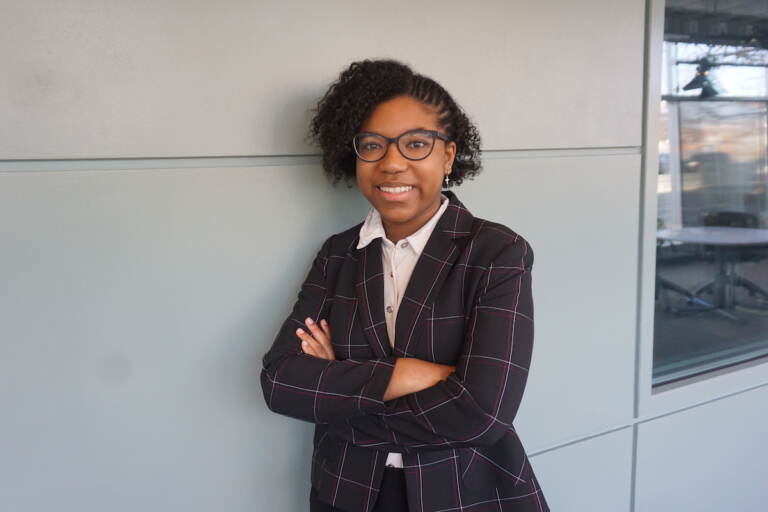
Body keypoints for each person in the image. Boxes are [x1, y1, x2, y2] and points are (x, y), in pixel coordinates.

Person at [261, 59, 549, 512]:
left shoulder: (496, 252)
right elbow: (281, 382)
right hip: (345, 493)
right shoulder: (337, 255)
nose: (392, 164)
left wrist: (339, 400)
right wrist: (403, 375)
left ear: (449, 156)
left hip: (463, 493)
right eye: (372, 145)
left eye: (416, 144)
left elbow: (482, 414)